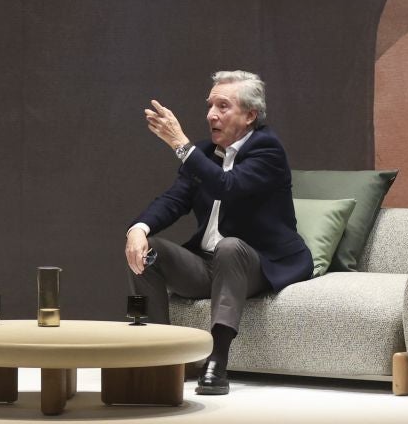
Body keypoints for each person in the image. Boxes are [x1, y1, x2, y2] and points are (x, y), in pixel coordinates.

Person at [123, 70, 313, 395]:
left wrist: (180, 145)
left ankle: (217, 361)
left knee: (229, 247)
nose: (211, 114)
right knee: (149, 251)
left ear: (250, 115)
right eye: (210, 105)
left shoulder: (268, 149)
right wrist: (138, 229)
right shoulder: (204, 153)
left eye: (223, 106)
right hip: (208, 264)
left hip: (259, 263)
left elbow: (228, 185)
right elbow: (174, 200)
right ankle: (159, 356)